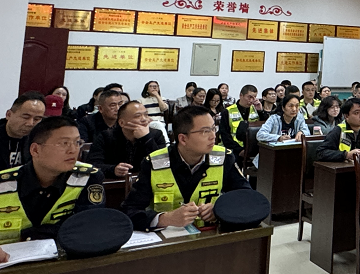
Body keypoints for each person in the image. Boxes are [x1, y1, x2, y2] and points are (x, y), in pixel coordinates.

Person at [0, 116, 105, 266]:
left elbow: (88, 226)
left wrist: (31, 235)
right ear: (35, 150)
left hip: (64, 264)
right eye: (64, 143)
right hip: (4, 267)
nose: (73, 150)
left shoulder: (87, 178)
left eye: (77, 142)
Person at [121, 105, 251, 231]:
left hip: (209, 235)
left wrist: (219, 210)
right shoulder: (154, 162)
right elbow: (129, 211)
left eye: (213, 129)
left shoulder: (224, 158)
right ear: (183, 139)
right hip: (167, 238)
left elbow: (246, 197)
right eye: (205, 131)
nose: (213, 136)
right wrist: (165, 219)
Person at [87, 101, 166, 178]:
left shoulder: (156, 135)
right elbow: (93, 165)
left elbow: (162, 163)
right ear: (122, 123)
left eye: (146, 115)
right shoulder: (105, 136)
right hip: (116, 183)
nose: (144, 119)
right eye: (138, 116)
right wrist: (113, 169)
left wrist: (146, 138)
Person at [0, 92, 45, 174]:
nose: (30, 123)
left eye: (37, 119)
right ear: (9, 115)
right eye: (25, 117)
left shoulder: (39, 140)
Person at [221, 85, 261, 158]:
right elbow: (225, 135)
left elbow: (265, 127)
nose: (252, 100)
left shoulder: (256, 109)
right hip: (234, 148)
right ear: (241, 95)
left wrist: (261, 111)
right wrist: (239, 150)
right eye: (249, 97)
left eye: (254, 97)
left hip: (253, 147)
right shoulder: (228, 111)